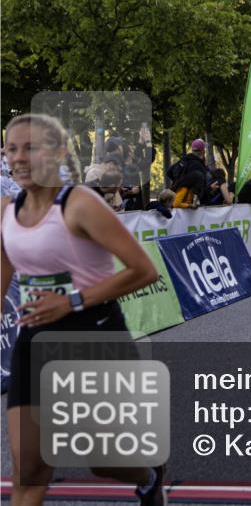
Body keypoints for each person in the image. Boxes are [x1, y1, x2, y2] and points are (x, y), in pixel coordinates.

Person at [1, 114, 165, 506]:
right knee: (27, 470)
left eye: (32, 147)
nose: (20, 158)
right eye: (12, 148)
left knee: (105, 460)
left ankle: (148, 476)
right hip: (35, 337)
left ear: (57, 152)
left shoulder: (79, 203)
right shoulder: (8, 209)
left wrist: (71, 301)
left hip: (93, 332)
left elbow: (144, 271)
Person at [169, 139, 211, 208]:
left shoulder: (184, 159)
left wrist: (178, 181)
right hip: (188, 202)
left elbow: (169, 172)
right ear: (203, 151)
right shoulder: (199, 166)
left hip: (175, 193)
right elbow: (201, 186)